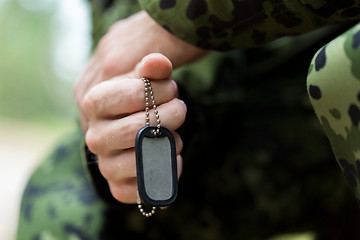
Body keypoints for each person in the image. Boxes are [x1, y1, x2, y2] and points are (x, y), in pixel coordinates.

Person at [17, 0, 360, 239]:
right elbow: (122, 32)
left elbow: (154, 28)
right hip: (266, 93)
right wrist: (149, 104)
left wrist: (181, 19)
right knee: (63, 195)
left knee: (342, 71)